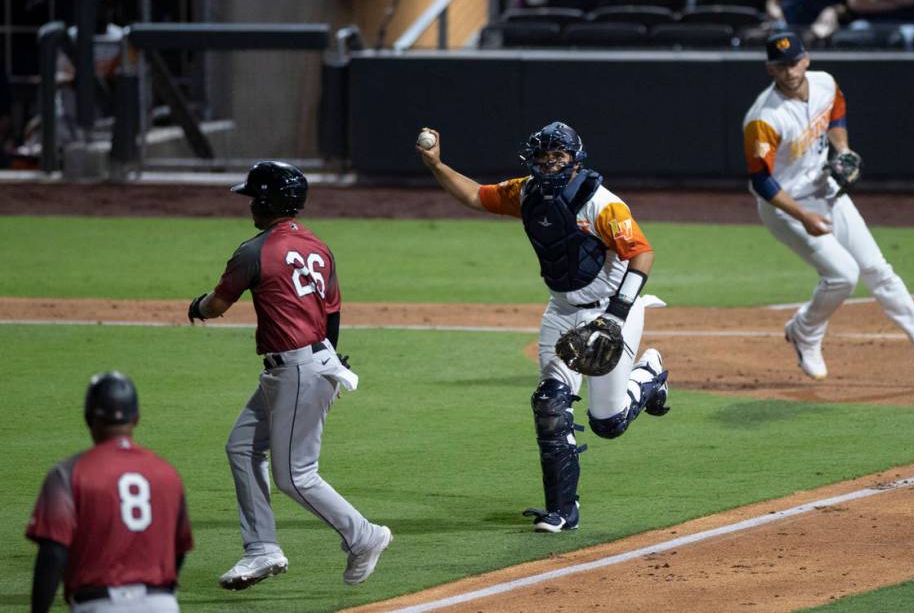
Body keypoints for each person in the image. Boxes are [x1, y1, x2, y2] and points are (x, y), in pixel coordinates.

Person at [417, 122, 671, 533]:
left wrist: (618, 315)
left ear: (575, 158)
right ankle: (562, 511)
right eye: (544, 156)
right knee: (550, 406)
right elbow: (474, 195)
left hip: (610, 310)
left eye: (559, 155)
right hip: (561, 310)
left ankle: (650, 374)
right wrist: (436, 165)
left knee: (609, 423)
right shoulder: (526, 192)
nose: (551, 163)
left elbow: (642, 255)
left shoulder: (602, 203)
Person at [187, 161, 391, 589]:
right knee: (242, 448)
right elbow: (332, 310)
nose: (249, 206)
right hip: (307, 365)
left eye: (252, 198)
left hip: (298, 369)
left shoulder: (254, 250)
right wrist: (333, 362)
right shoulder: (318, 245)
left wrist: (196, 307)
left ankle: (364, 535)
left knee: (296, 475)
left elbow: (217, 305)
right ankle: (261, 549)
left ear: (266, 201)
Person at [742, 32, 914, 380]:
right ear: (769, 69)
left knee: (878, 269)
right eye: (780, 65)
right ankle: (806, 331)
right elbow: (762, 181)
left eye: (793, 62)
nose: (789, 71)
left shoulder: (825, 84)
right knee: (843, 275)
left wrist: (843, 149)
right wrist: (804, 217)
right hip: (784, 206)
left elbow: (836, 116)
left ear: (806, 59)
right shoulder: (764, 119)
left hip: (824, 188)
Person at [25, 371, 193, 612]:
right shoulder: (167, 473)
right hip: (162, 603)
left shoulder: (68, 473)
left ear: (88, 416)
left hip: (99, 604)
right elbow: (180, 548)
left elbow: (53, 553)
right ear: (135, 418)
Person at [767, 0, 855, 40]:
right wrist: (777, 12)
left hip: (831, 31)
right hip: (795, 29)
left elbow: (849, 6)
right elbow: (775, 1)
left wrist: (834, 10)